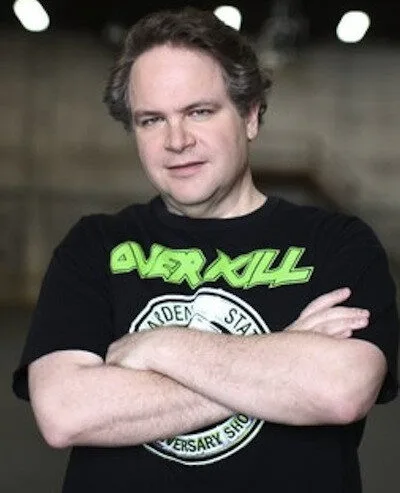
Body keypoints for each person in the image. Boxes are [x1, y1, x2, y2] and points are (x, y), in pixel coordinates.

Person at [13, 7, 398, 493]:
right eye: (152, 120)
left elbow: (339, 391)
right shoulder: (94, 246)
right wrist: (281, 358)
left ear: (250, 115)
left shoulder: (338, 243)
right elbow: (66, 413)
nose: (176, 140)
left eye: (199, 111)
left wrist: (159, 346)